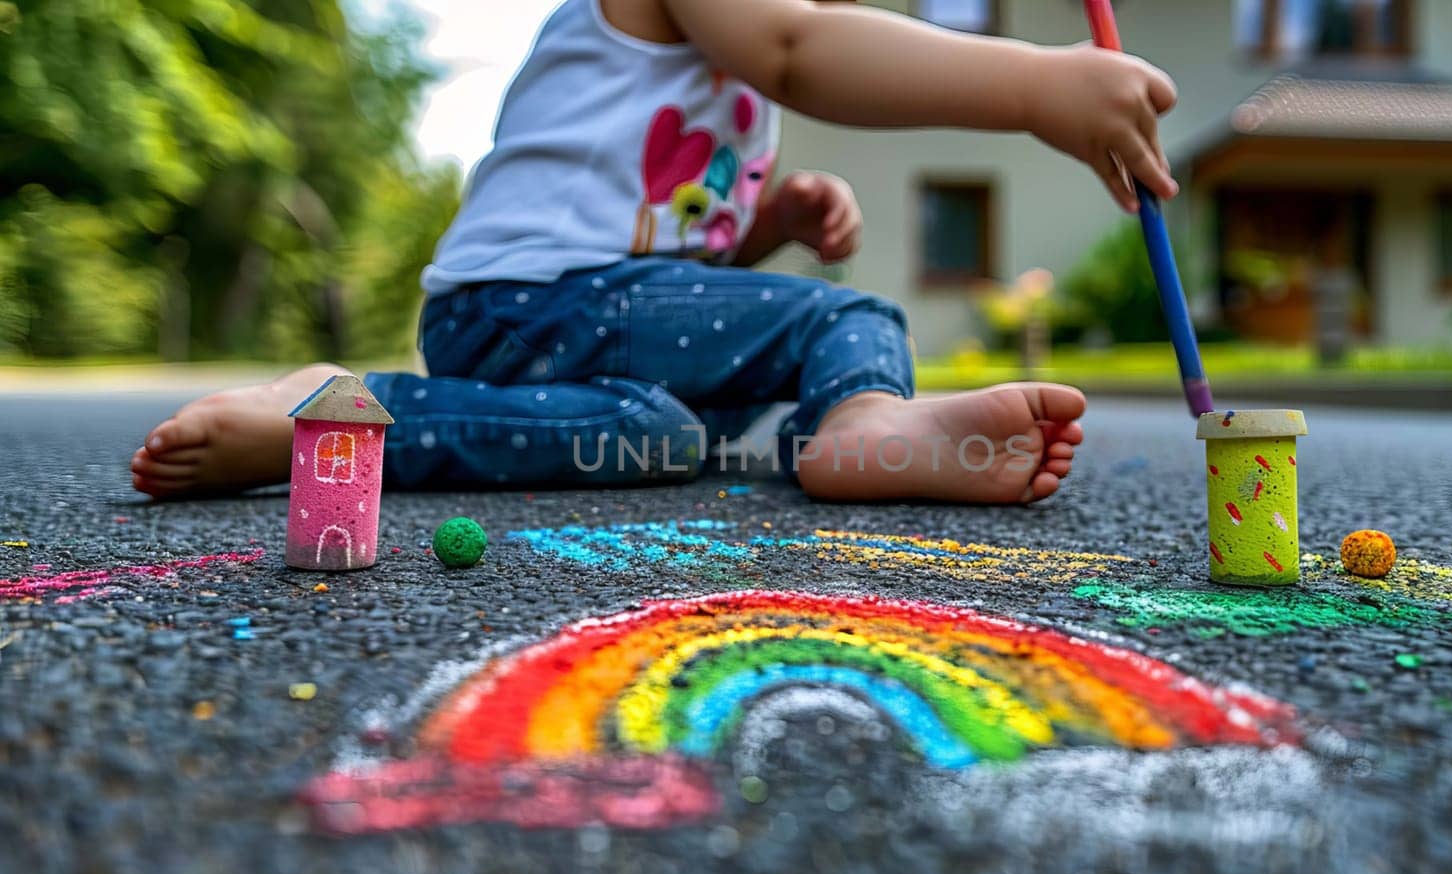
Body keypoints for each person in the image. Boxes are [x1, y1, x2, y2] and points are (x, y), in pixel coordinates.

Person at [131, 0, 1179, 504]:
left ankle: (340, 418)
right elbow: (799, 52)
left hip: (553, 332)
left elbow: (664, 239)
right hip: (538, 299)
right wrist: (1037, 85)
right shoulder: (748, 24)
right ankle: (864, 417)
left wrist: (766, 224)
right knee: (845, 319)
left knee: (659, 438)